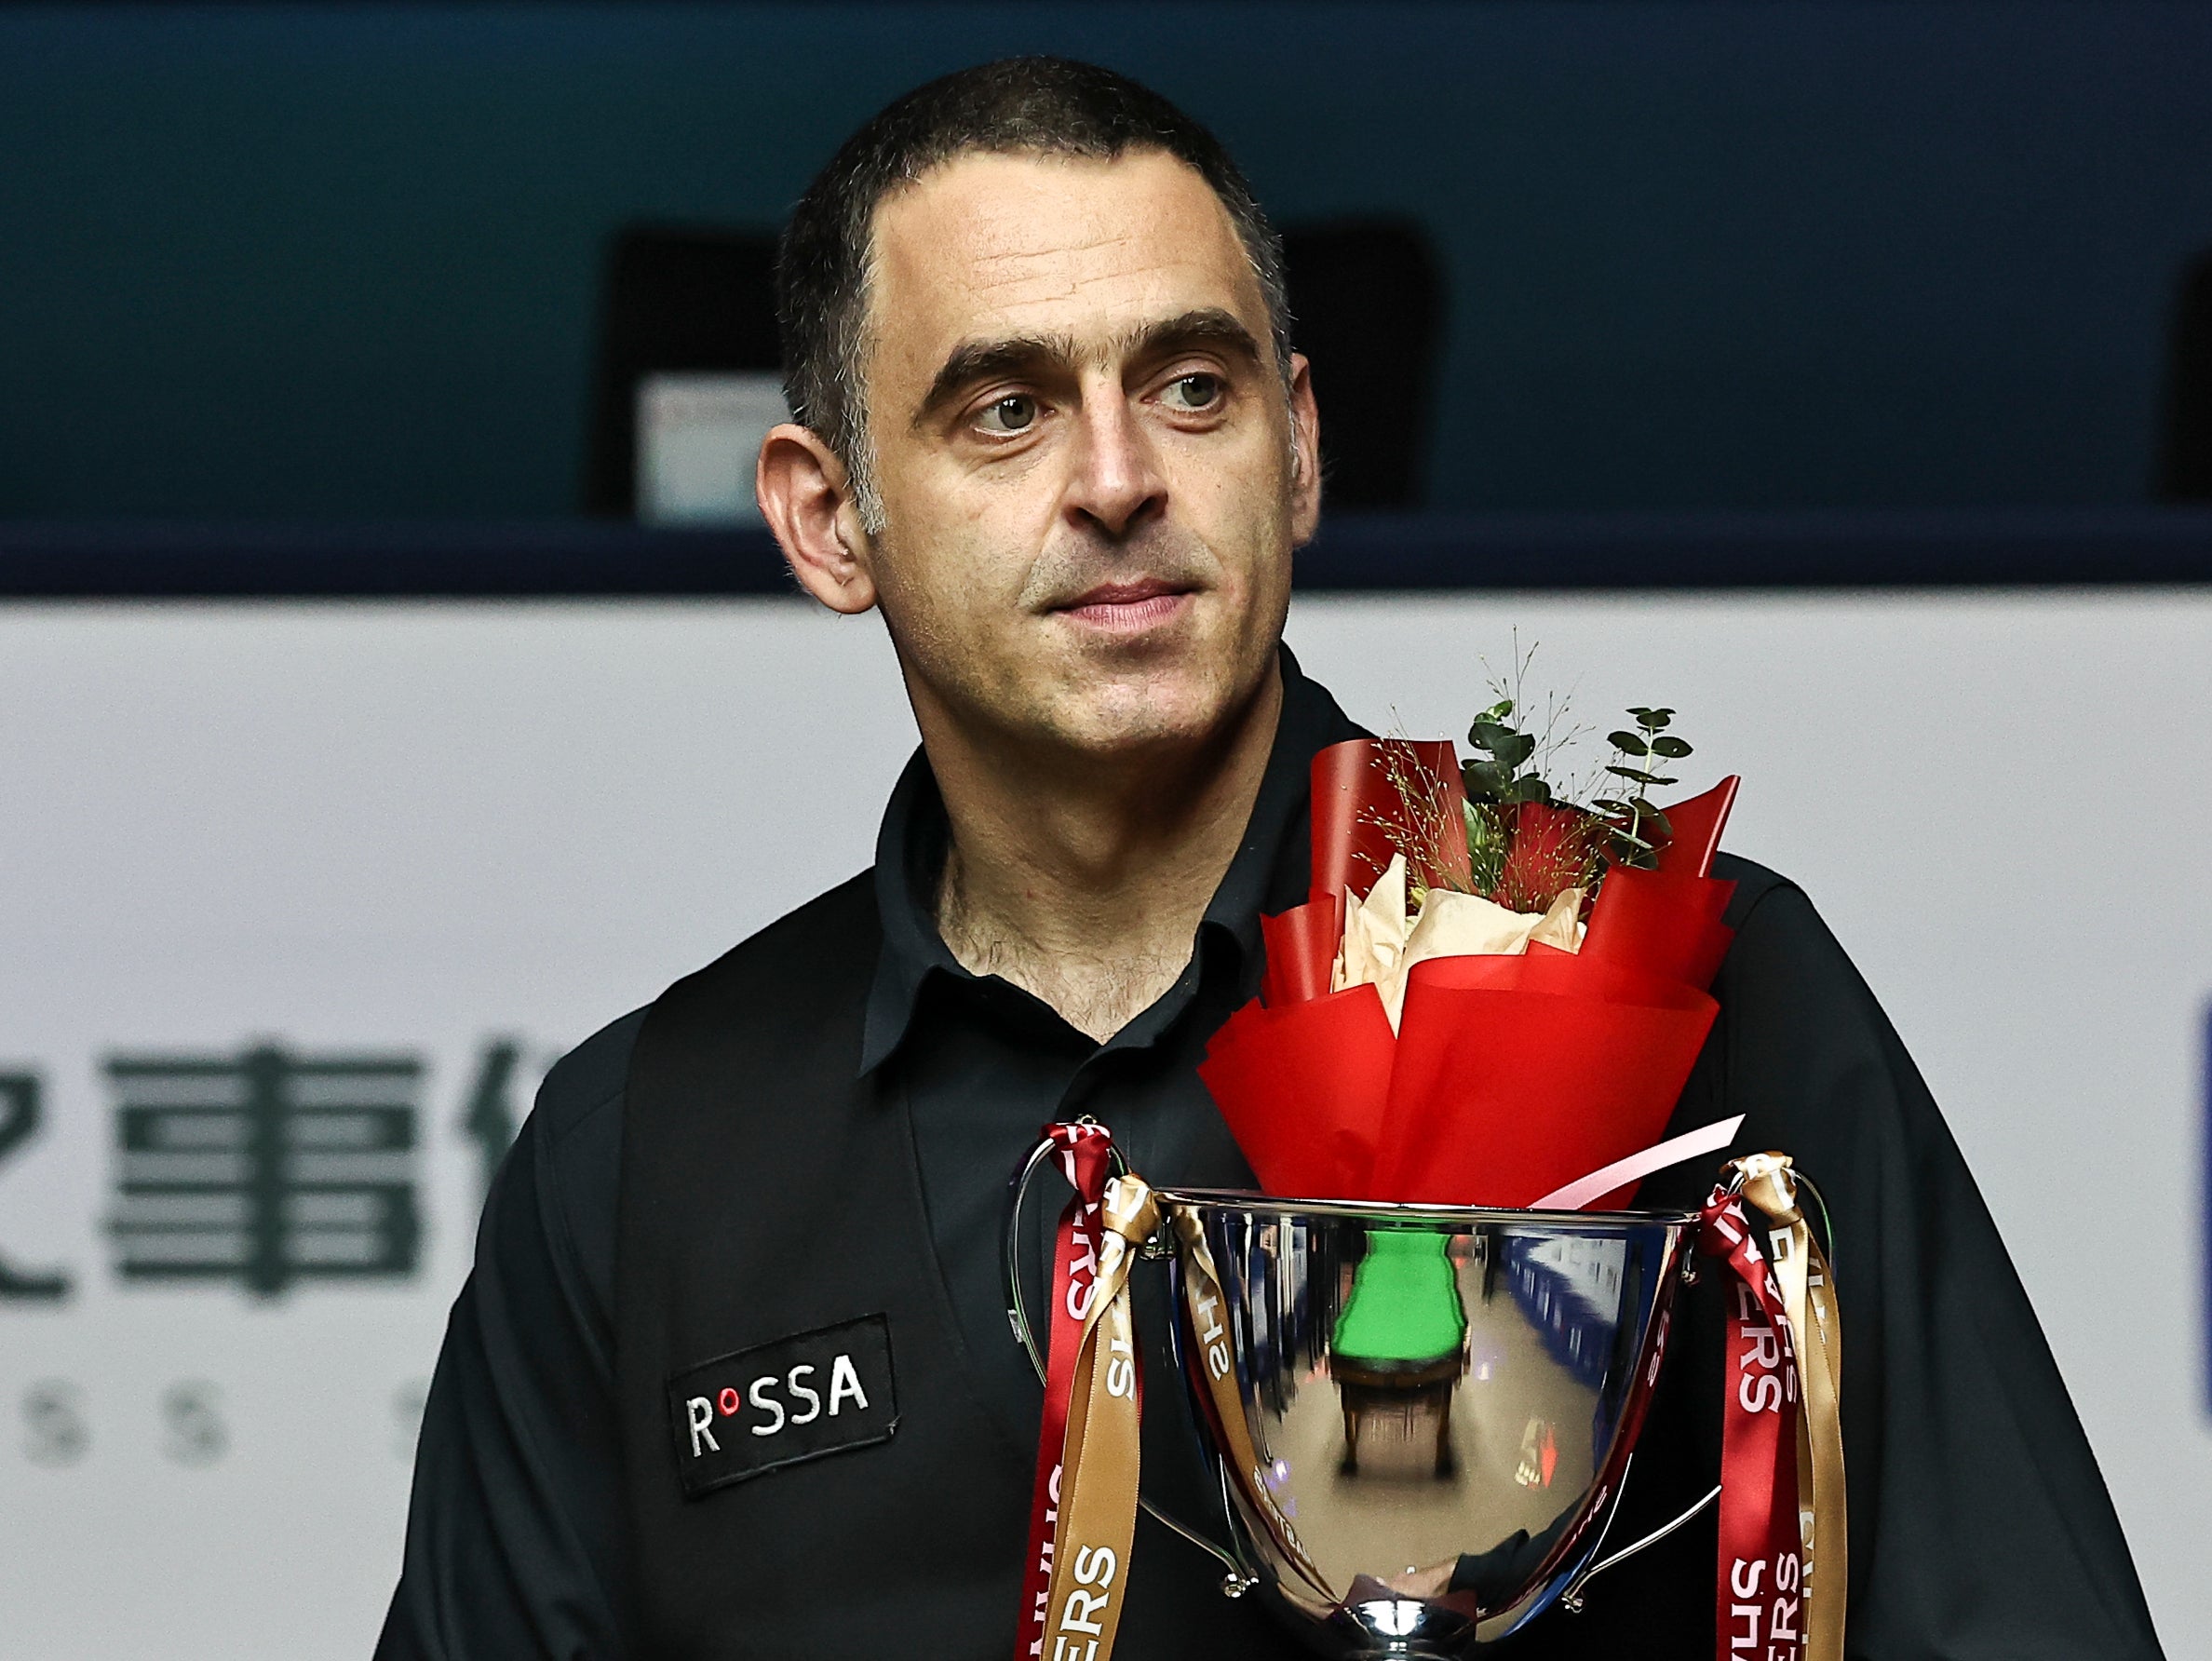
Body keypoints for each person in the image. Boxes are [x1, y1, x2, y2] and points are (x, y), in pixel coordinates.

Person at [375, 58, 2162, 1660]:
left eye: (1192, 386)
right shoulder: (643, 1150)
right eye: (1003, 408)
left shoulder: (1664, 977)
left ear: (1299, 449)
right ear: (828, 518)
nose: (1117, 476)